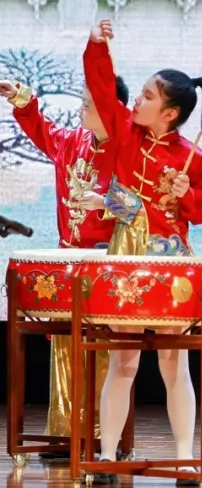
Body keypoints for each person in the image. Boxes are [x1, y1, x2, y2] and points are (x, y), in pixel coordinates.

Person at [82, 18, 202, 487]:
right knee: (123, 360)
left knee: (175, 362)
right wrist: (97, 46)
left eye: (147, 97)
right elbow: (101, 87)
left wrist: (186, 195)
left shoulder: (195, 160)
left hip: (171, 264)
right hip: (125, 261)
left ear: (170, 113)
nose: (136, 101)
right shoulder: (124, 133)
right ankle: (108, 456)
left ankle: (183, 459)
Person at [2, 76, 129, 458]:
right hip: (68, 263)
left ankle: (104, 438)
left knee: (105, 350)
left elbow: (144, 207)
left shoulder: (130, 152)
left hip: (108, 265)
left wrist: (106, 203)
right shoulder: (72, 142)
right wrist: (21, 98)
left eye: (88, 103)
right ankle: (64, 434)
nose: (81, 108)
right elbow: (41, 128)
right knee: (63, 345)